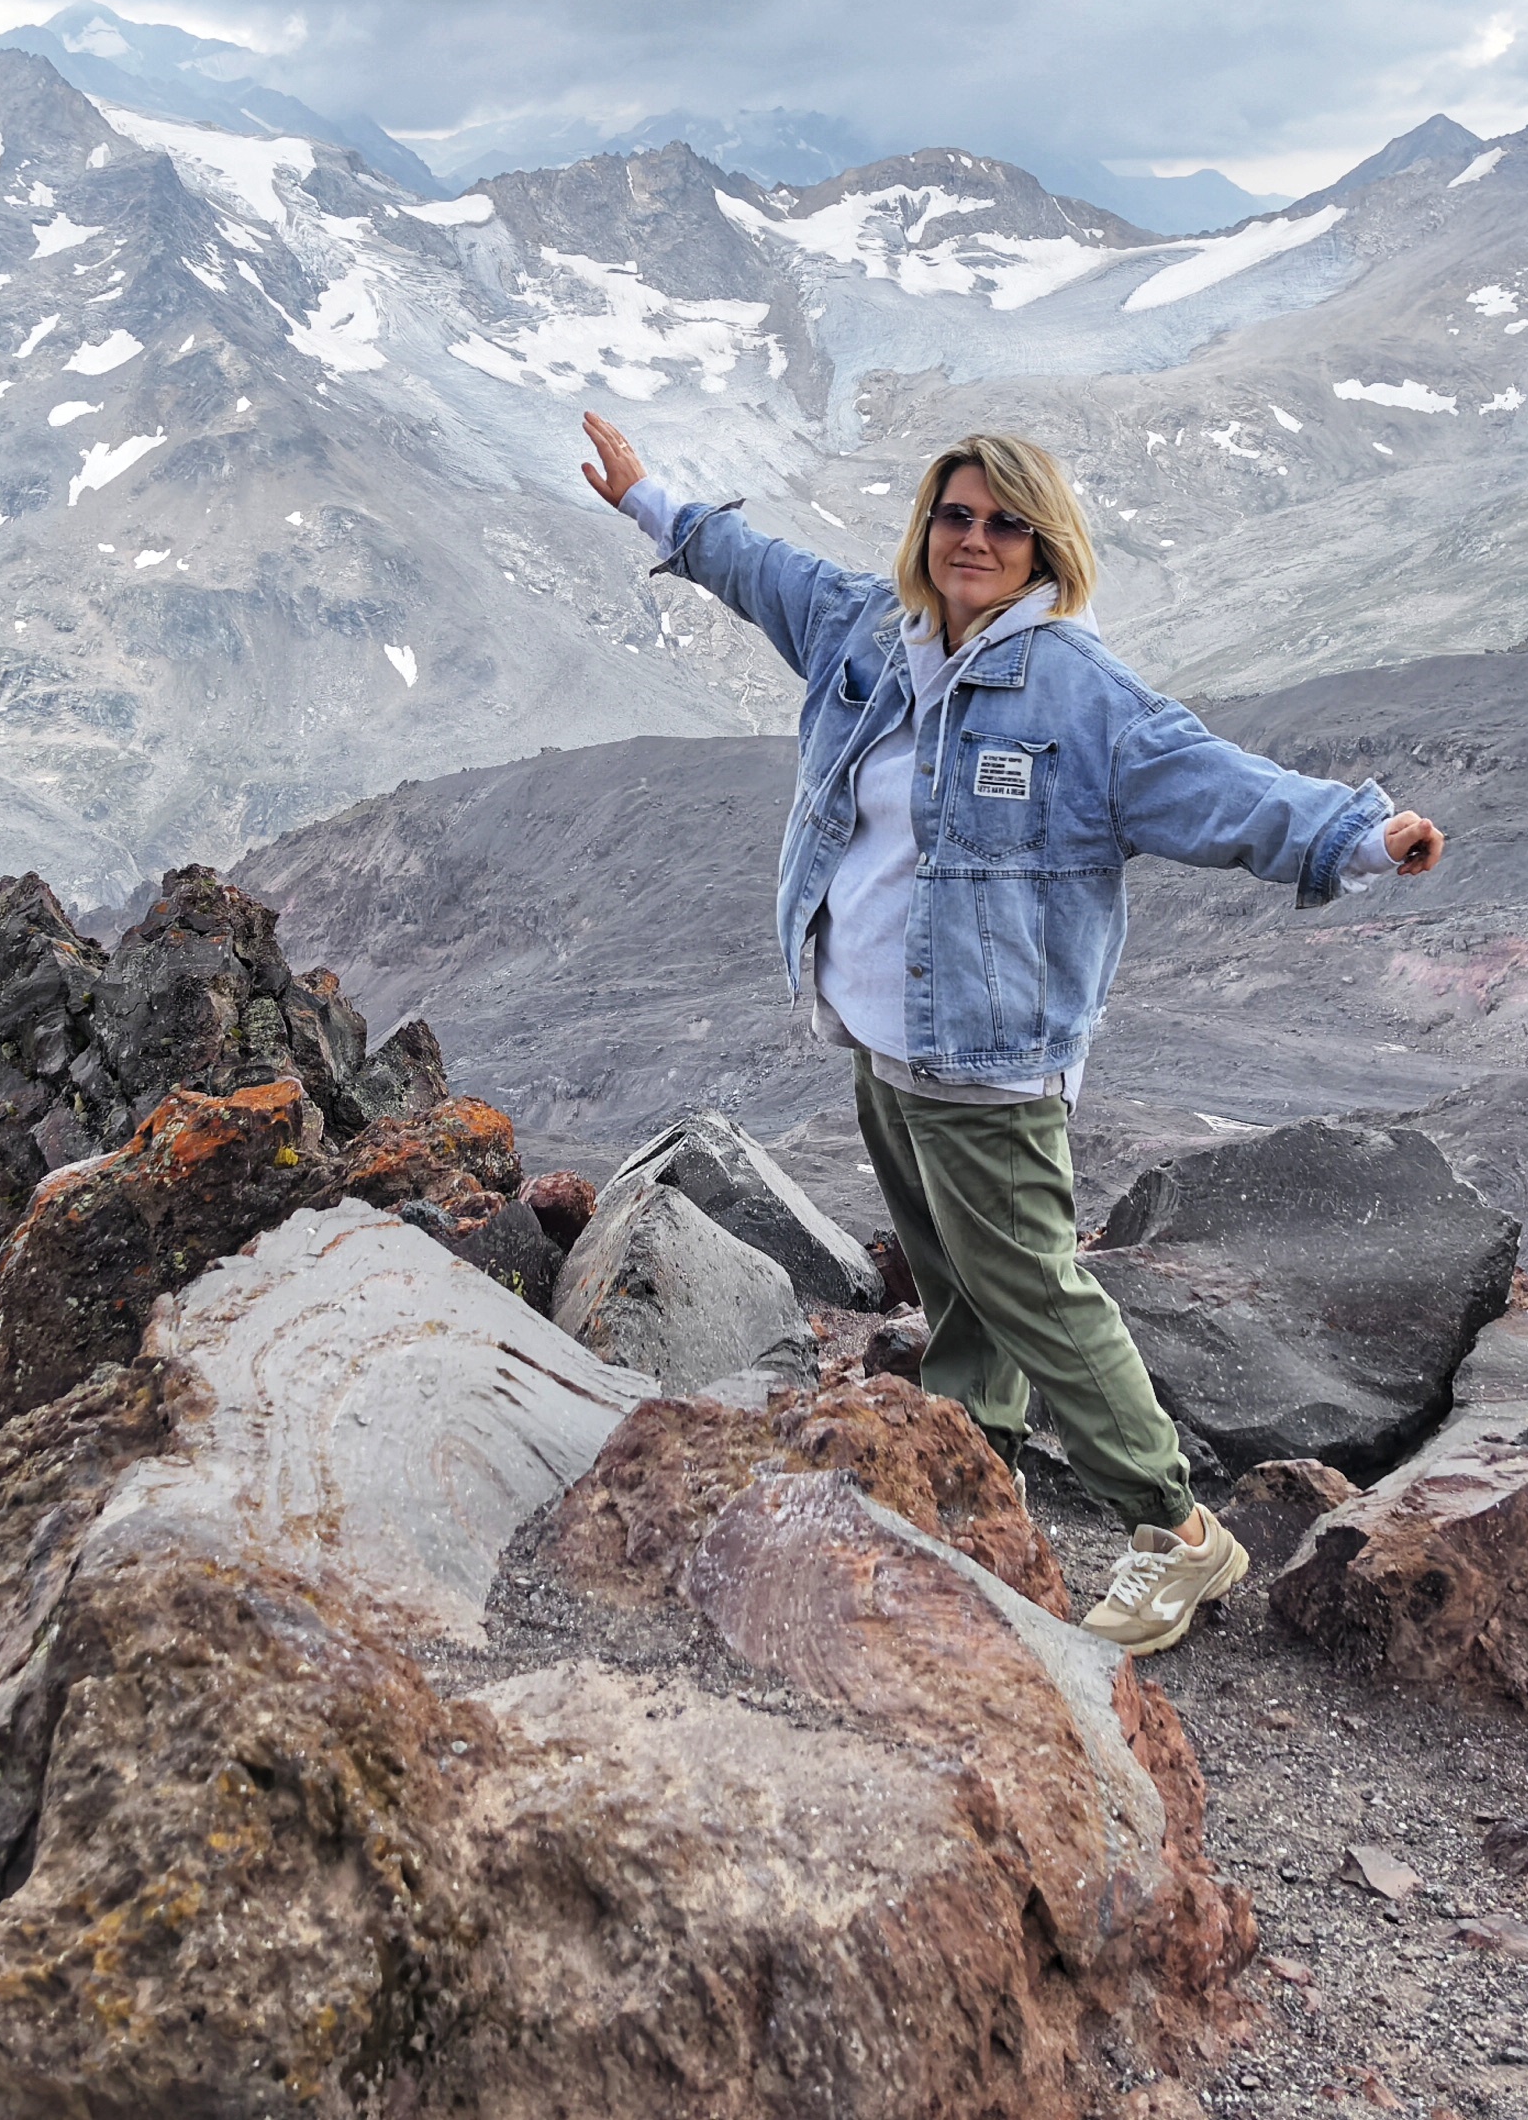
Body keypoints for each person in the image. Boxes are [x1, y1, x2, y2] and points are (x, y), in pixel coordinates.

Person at [580, 410, 1445, 1654]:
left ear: (1046, 547)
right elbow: (756, 568)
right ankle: (971, 1456)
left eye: (1002, 523)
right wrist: (647, 501)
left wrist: (1359, 836)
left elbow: (1219, 785)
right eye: (954, 515)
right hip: (882, 1036)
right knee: (954, 1277)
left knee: (1030, 1284)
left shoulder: (1076, 692)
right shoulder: (874, 631)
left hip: (989, 1053)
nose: (972, 539)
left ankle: (1175, 1530)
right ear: (927, 525)